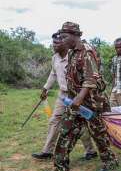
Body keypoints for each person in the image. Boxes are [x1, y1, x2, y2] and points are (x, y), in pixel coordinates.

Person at [42, 22, 118, 171]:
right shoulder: (71, 53)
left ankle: (110, 162)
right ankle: (60, 168)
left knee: (99, 135)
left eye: (64, 37)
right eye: (61, 37)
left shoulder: (87, 52)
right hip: (75, 102)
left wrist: (79, 97)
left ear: (75, 36)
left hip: (91, 103)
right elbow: (71, 77)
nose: (62, 40)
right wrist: (71, 98)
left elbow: (91, 79)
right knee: (66, 132)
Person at [32, 32, 97, 161]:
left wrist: (82, 95)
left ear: (64, 43)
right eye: (53, 43)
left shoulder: (74, 56)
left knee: (81, 123)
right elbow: (53, 74)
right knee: (54, 120)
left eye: (56, 43)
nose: (53, 46)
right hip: (63, 95)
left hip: (77, 94)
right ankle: (47, 151)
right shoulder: (55, 57)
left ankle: (90, 151)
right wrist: (45, 88)